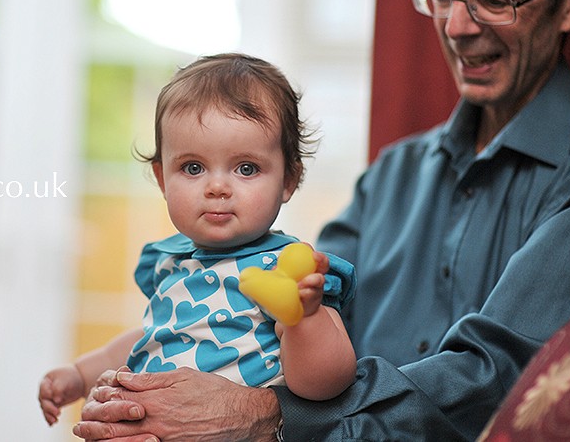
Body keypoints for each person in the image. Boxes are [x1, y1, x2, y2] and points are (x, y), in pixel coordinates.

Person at [73, 0, 570, 441]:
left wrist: (264, 415)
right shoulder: (396, 170)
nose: (457, 26)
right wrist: (145, 396)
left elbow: (504, 380)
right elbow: (282, 306)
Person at [38, 53, 358, 427]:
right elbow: (152, 337)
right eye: (193, 168)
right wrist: (80, 374)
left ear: (288, 180)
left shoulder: (290, 269)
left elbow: (326, 384)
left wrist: (304, 318)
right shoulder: (168, 261)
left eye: (246, 168)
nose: (217, 187)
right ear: (161, 179)